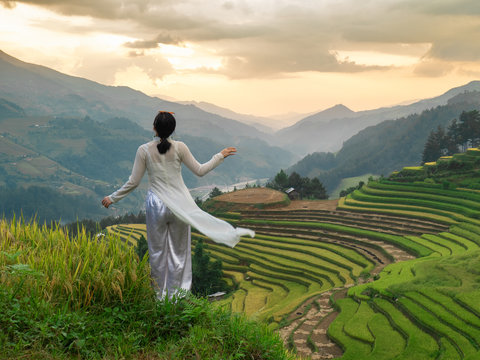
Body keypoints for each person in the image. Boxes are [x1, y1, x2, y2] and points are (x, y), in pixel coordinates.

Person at [101, 111, 254, 300]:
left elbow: (133, 182)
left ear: (154, 129)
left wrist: (112, 198)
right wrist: (220, 156)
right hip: (179, 205)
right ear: (173, 129)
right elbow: (200, 170)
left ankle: (159, 297)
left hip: (156, 204)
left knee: (157, 253)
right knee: (179, 253)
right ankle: (179, 297)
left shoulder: (144, 150)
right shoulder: (180, 147)